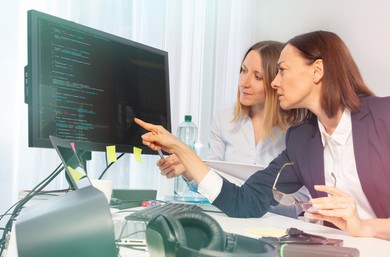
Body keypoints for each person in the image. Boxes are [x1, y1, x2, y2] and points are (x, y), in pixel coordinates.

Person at [134, 30, 390, 240]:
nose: (274, 82)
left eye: (282, 70)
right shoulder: (301, 141)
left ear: (317, 70)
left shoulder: (384, 117)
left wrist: (367, 227)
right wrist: (182, 149)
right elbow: (245, 201)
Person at [158, 41, 310, 218]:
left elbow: (301, 201)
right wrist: (188, 170)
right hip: (230, 218)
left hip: (276, 227)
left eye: (257, 77)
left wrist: (251, 200)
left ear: (276, 81)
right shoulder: (224, 118)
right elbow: (210, 179)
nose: (244, 82)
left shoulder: (297, 130)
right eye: (243, 71)